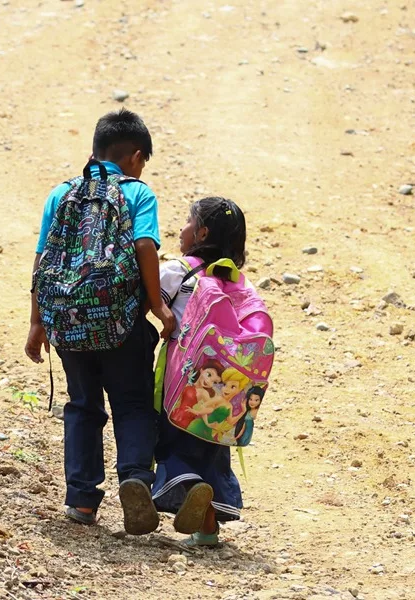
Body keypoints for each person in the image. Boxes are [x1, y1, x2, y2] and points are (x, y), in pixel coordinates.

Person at [25, 109, 175, 535]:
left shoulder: (61, 194)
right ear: (136, 157)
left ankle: (82, 500)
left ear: (95, 150)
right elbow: (145, 245)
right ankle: (134, 479)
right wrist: (157, 307)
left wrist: (37, 322)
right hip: (122, 322)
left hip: (68, 322)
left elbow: (42, 258)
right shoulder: (137, 194)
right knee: (132, 403)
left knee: (82, 405)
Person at [152, 196, 248, 545]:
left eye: (188, 222)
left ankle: (189, 486)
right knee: (210, 443)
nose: (182, 229)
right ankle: (207, 529)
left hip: (183, 377)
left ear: (202, 232)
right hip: (225, 385)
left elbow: (151, 296)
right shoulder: (236, 280)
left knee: (175, 436)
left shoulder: (181, 270)